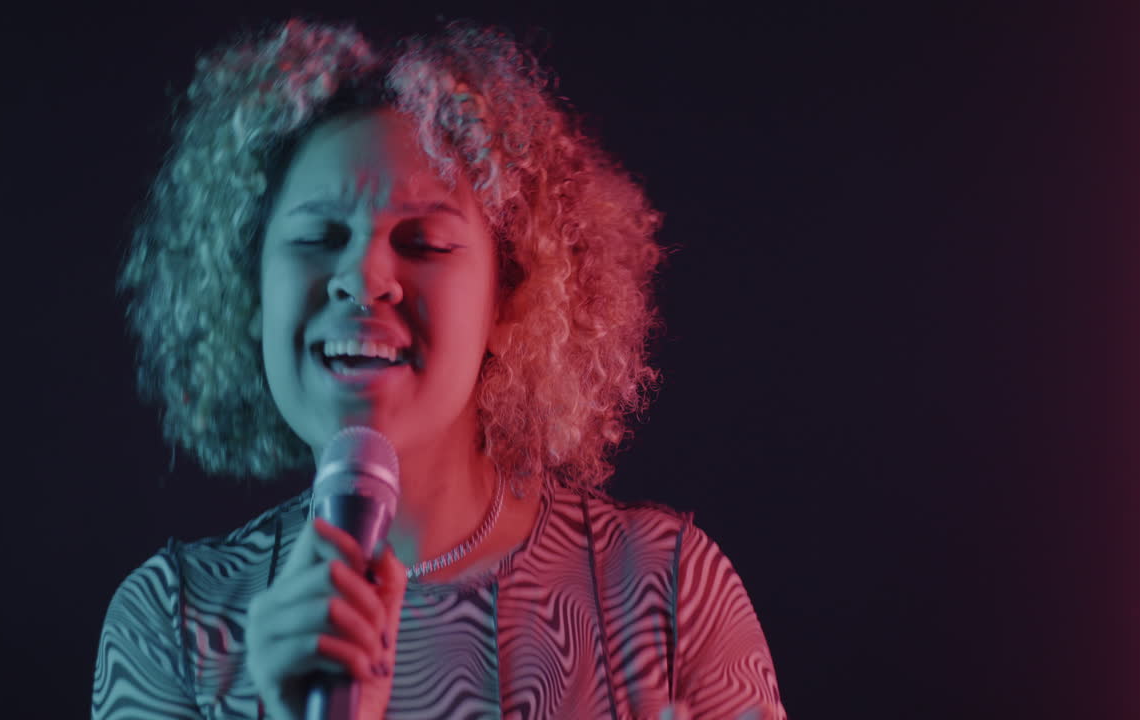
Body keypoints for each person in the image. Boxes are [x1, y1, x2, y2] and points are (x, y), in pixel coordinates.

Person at [92, 18, 786, 720]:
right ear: (249, 294)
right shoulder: (172, 624)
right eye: (319, 238)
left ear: (513, 297)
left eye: (422, 242)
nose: (363, 280)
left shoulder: (665, 594)